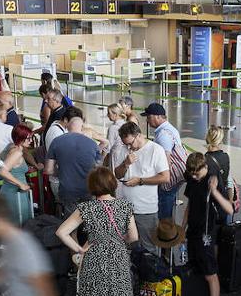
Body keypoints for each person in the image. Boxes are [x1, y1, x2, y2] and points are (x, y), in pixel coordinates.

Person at [55, 168, 139, 296]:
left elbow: (61, 232)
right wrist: (118, 240)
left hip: (95, 258)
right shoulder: (125, 206)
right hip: (118, 257)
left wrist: (79, 249)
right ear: (112, 185)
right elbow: (134, 237)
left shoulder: (86, 208)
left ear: (92, 187)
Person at [182, 152, 235, 296]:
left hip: (207, 234)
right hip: (193, 232)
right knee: (196, 269)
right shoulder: (192, 179)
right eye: (192, 175)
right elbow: (189, 205)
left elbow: (229, 208)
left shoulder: (213, 181)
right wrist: (183, 228)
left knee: (210, 273)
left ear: (204, 168)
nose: (195, 177)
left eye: (197, 174)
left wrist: (214, 192)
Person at [111, 121, 169, 252]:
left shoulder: (156, 150)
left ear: (138, 135)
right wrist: (125, 163)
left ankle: (148, 272)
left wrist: (140, 181)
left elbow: (165, 177)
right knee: (126, 248)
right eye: (126, 144)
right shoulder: (123, 149)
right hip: (124, 208)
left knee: (148, 248)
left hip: (145, 209)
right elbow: (117, 174)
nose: (129, 147)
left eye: (131, 143)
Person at [46, 106, 101, 216]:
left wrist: (61, 172)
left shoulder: (57, 141)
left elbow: (48, 170)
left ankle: (72, 233)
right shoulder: (92, 144)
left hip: (67, 190)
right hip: (87, 189)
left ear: (68, 125)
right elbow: (98, 168)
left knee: (70, 223)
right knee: (89, 220)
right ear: (82, 127)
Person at [143, 103, 185, 220]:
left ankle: (165, 231)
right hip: (177, 174)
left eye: (148, 117)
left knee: (165, 201)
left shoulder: (163, 135)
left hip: (170, 176)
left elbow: (166, 158)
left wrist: (163, 179)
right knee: (168, 200)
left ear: (157, 116)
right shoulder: (169, 129)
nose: (147, 120)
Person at [0, 124, 34, 223]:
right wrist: (20, 184)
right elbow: (2, 171)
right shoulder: (17, 153)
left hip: (9, 190)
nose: (30, 141)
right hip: (15, 193)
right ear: (20, 138)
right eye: (28, 138)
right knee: (19, 223)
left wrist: (13, 168)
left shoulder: (10, 147)